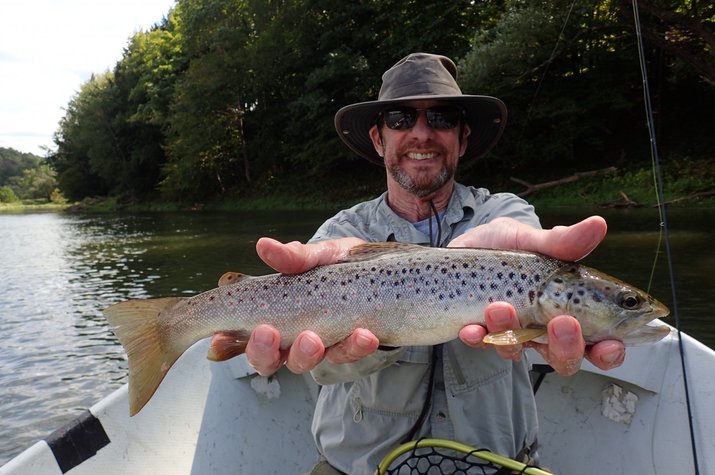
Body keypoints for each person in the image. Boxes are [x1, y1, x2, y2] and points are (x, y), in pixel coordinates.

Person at [213, 53, 626, 473]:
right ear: (378, 138)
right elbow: (322, 370)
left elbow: (527, 266)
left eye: (442, 118)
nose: (422, 133)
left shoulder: (505, 216)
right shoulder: (341, 231)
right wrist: (379, 332)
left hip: (496, 465)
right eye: (401, 118)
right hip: (356, 467)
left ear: (462, 138)